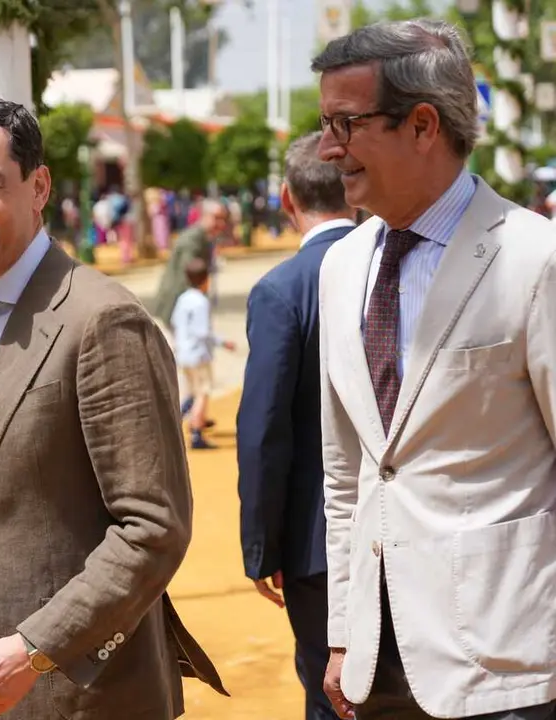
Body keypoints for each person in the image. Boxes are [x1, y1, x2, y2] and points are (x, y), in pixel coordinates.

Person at [0, 96, 226, 720]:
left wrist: (35, 649)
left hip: (76, 693)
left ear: (39, 188)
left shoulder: (103, 320)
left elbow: (153, 527)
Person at [314, 20, 556, 720]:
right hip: (377, 664)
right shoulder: (341, 267)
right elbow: (347, 472)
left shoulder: (534, 259)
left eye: (346, 124)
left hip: (506, 661)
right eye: (325, 125)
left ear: (423, 125)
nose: (328, 149)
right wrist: (343, 633)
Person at [236, 132, 355, 720]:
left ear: (287, 198)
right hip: (414, 532)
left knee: (330, 693)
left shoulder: (281, 290)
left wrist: (263, 546)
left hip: (317, 543)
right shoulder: (401, 266)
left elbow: (263, 430)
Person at [170, 257, 236, 450]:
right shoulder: (201, 302)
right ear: (206, 280)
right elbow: (203, 332)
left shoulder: (183, 299)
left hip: (184, 353)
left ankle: (181, 419)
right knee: (203, 392)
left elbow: (174, 321)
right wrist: (223, 342)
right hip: (198, 354)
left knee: (191, 391)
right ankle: (196, 432)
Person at [152, 199, 230, 333]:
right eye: (217, 218)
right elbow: (188, 276)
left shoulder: (204, 238)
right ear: (204, 216)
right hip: (177, 304)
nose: (221, 224)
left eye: (223, 219)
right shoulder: (192, 240)